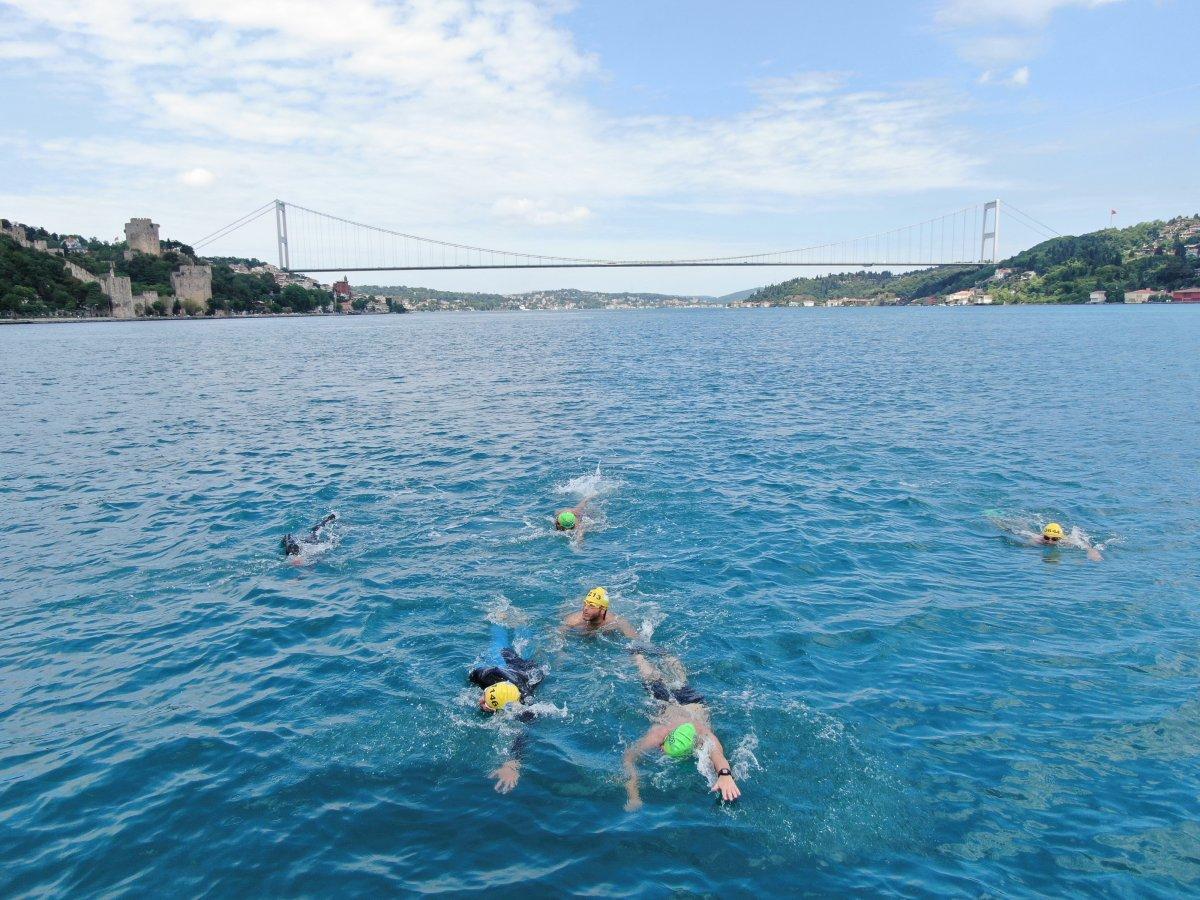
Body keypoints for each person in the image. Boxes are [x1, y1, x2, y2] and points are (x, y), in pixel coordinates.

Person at [622, 651, 741, 811]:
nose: (661, 750)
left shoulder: (703, 734)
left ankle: (660, 654)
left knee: (674, 680)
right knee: (657, 679)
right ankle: (638, 655)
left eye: (664, 751)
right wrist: (633, 794)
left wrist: (725, 776)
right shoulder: (658, 733)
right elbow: (629, 757)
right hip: (667, 702)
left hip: (692, 701)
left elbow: (717, 755)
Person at [469, 621, 547, 794]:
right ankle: (500, 619)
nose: (481, 702)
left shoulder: (526, 705)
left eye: (487, 703)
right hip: (505, 666)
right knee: (500, 644)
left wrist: (512, 763)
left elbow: (523, 735)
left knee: (530, 648)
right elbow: (472, 676)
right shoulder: (487, 674)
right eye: (485, 697)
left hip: (528, 672)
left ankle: (523, 622)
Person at [561, 587, 639, 639]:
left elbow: (636, 640)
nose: (585, 608)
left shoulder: (616, 621)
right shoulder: (573, 620)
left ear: (602, 610)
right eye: (585, 604)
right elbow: (559, 636)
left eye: (592, 606)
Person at [1037, 522, 1102, 561]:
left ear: (1059, 538)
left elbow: (1086, 546)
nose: (1050, 541)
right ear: (1043, 536)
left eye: (1054, 539)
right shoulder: (1039, 539)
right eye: (1047, 537)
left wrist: (1092, 552)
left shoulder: (1066, 541)